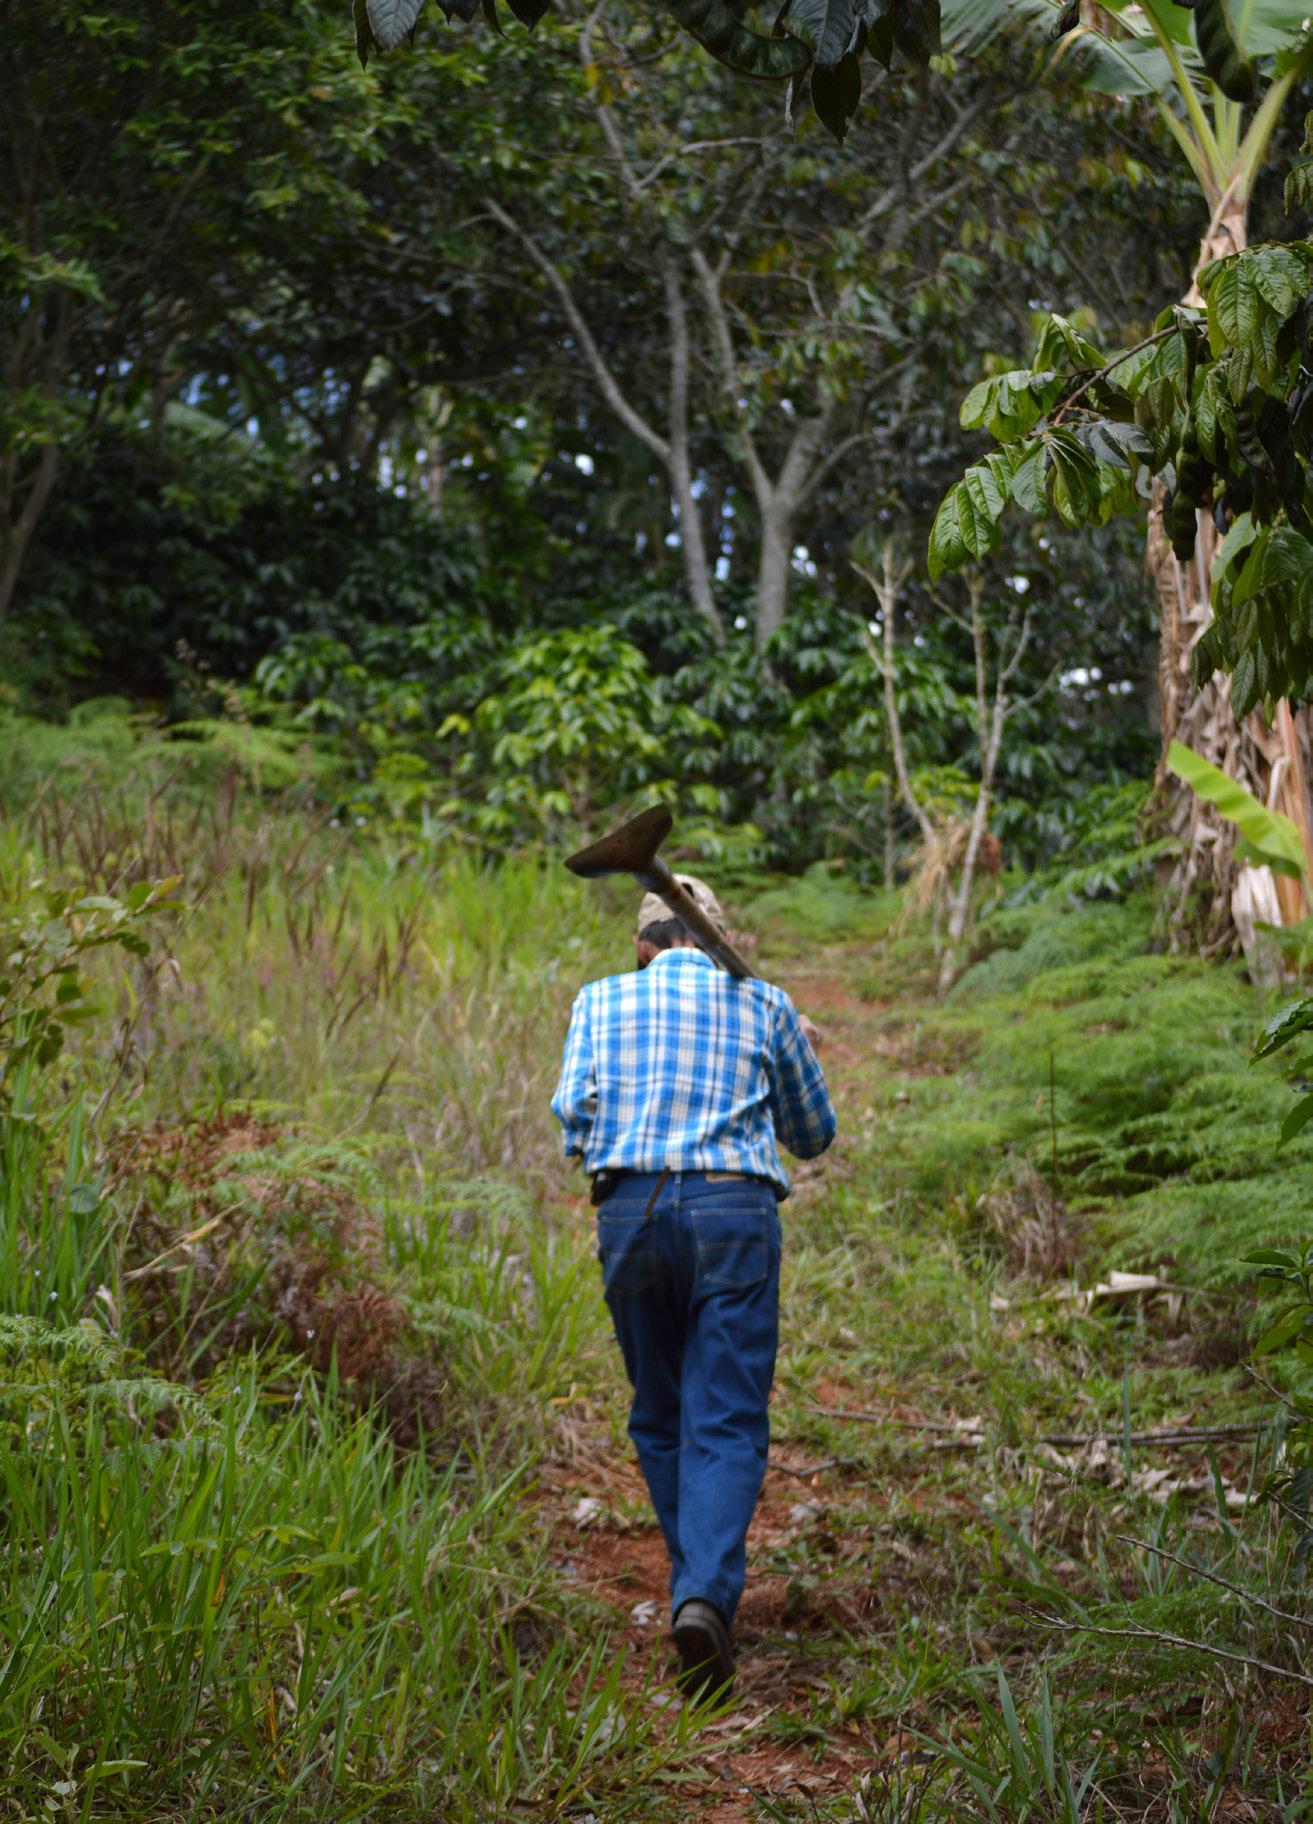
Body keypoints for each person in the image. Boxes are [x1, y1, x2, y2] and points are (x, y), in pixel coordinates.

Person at [551, 874, 836, 1699]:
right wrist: (796, 1046)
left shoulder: (599, 1001)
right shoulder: (765, 1004)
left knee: (660, 1411)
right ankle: (704, 1596)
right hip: (731, 1213)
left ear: (643, 948)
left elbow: (574, 1118)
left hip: (630, 1212)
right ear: (717, 939)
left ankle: (696, 1593)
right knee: (726, 1412)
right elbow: (812, 1133)